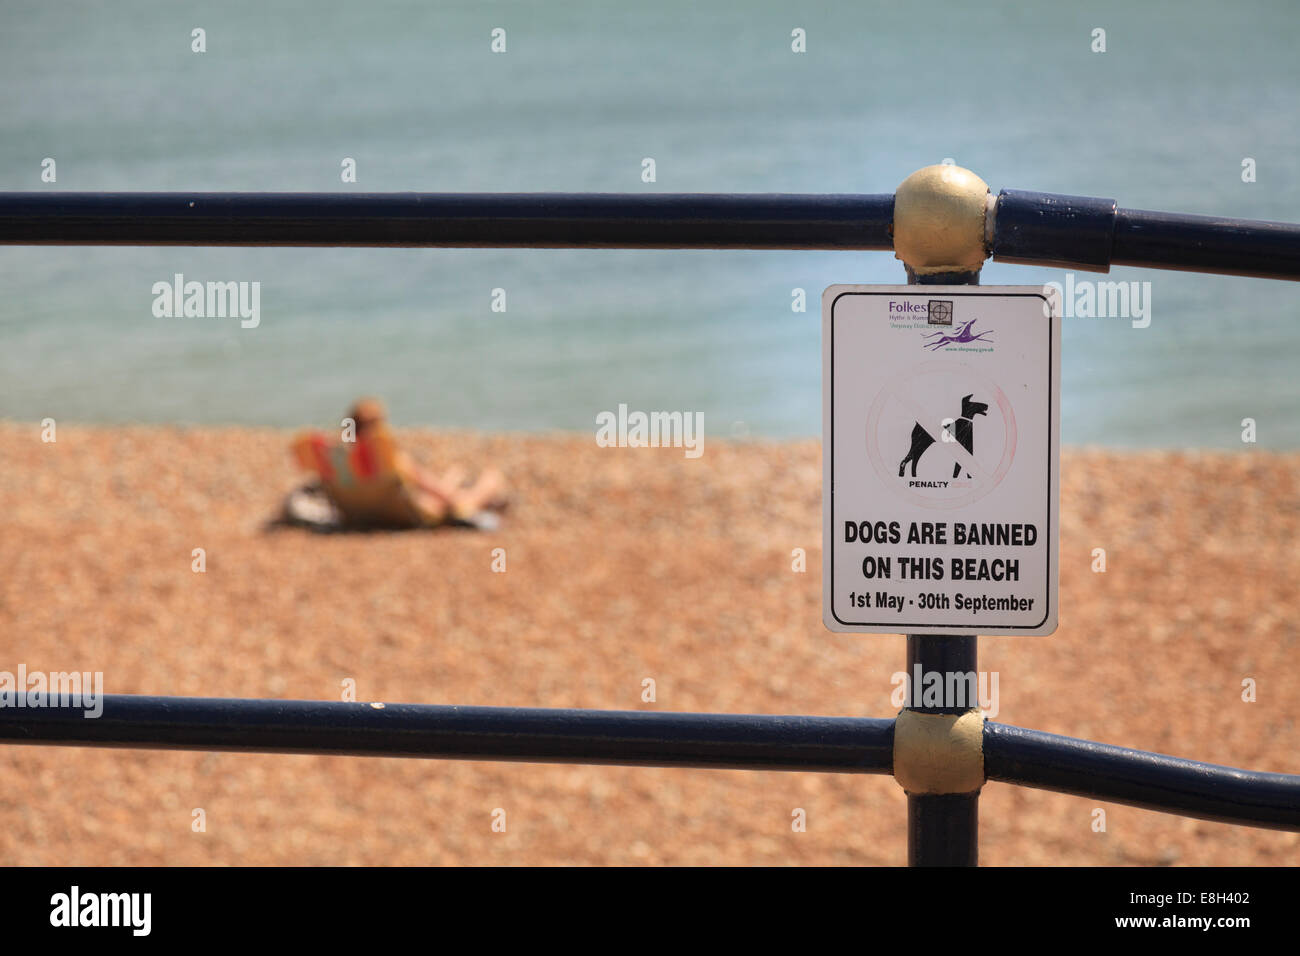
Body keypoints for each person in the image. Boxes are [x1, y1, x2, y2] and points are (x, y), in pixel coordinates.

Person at [289, 398, 506, 529]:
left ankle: (455, 477)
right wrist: (464, 490)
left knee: (454, 476)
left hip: (357, 514)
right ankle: (476, 482)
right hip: (407, 516)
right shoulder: (387, 459)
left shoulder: (333, 460)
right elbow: (444, 497)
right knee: (489, 480)